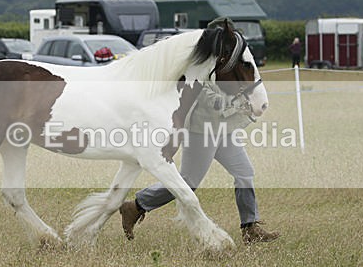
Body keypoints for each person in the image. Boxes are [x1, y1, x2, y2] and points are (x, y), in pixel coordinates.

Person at [119, 22, 279, 245]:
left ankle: (250, 227)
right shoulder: (200, 68)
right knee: (188, 182)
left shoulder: (224, 65)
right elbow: (210, 99)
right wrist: (237, 104)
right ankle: (135, 206)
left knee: (244, 173)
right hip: (200, 131)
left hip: (224, 130)